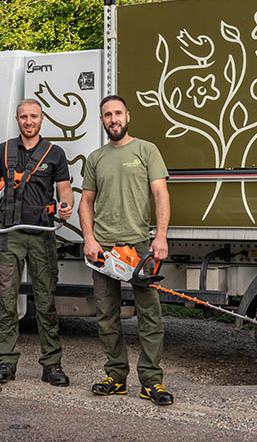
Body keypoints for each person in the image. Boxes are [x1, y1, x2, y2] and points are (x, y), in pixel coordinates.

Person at [0, 99, 74, 387]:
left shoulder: (55, 153)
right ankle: (6, 362)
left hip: (42, 234)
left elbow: (65, 190)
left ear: (41, 119)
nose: (28, 121)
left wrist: (66, 206)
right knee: (6, 300)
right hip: (9, 234)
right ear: (17, 119)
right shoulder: (4, 150)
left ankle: (52, 364)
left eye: (33, 116)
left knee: (46, 301)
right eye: (23, 116)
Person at [79, 94, 174, 406]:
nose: (113, 119)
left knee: (150, 316)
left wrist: (160, 237)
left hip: (139, 247)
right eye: (107, 115)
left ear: (127, 116)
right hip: (103, 251)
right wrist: (89, 240)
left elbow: (160, 195)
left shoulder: (146, 150)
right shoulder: (95, 158)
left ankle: (151, 381)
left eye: (118, 113)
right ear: (102, 120)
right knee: (107, 316)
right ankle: (116, 377)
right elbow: (86, 202)